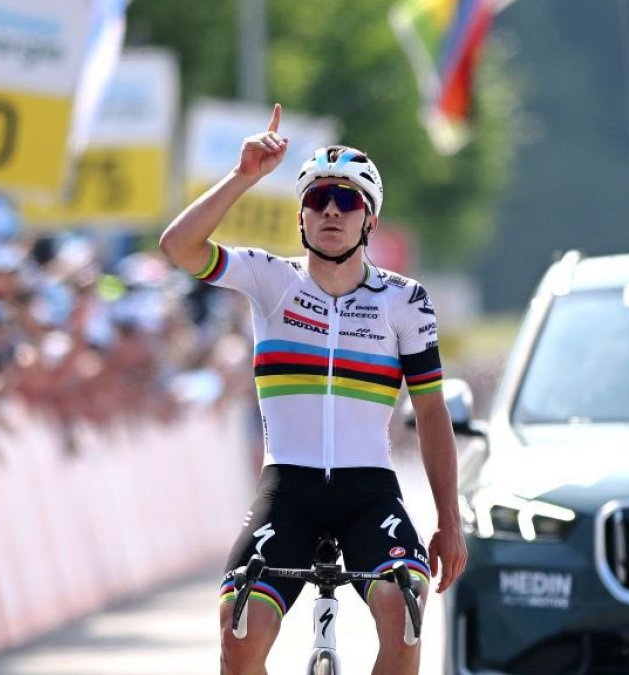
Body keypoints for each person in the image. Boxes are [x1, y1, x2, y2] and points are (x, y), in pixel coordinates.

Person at [159, 103, 466, 675]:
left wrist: (449, 520)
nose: (330, 210)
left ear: (369, 220)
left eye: (347, 200)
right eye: (316, 199)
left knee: (405, 615)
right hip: (288, 490)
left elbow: (430, 412)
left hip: (369, 493)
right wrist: (244, 177)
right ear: (299, 216)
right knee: (239, 630)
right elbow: (178, 248)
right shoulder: (270, 279)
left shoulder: (405, 300)